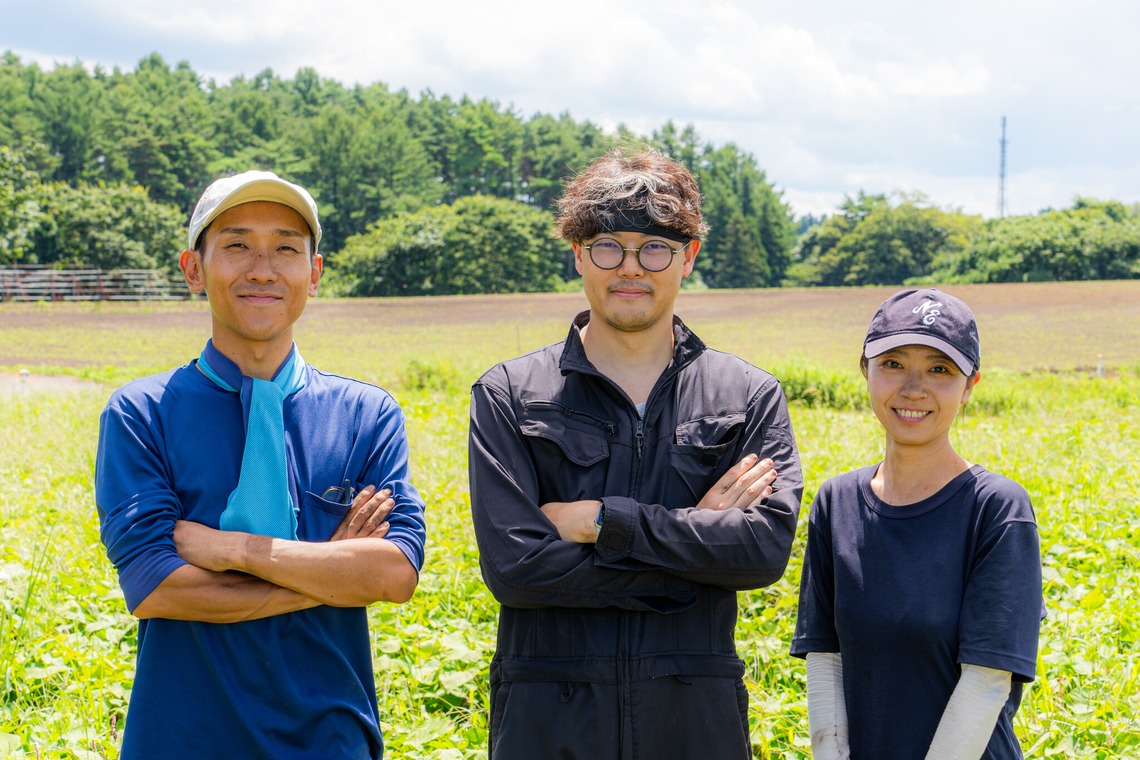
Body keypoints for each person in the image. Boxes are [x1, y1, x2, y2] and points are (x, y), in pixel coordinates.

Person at [467, 149, 804, 759]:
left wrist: (605, 521)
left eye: (655, 248)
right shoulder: (510, 394)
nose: (630, 268)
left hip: (694, 720)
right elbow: (515, 570)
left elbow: (760, 552)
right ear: (577, 254)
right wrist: (691, 561)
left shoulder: (747, 395)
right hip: (549, 721)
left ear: (688, 257)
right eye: (606, 246)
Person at [95, 170, 426, 759]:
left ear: (314, 274)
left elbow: (394, 574)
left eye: (286, 249)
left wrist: (232, 551)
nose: (263, 269)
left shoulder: (366, 413)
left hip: (331, 734)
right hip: (180, 734)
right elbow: (158, 589)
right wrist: (330, 574)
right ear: (193, 269)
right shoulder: (142, 413)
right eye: (237, 245)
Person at [791, 288, 1043, 759]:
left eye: (939, 369)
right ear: (864, 371)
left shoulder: (996, 509)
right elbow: (825, 658)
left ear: (970, 386)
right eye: (893, 364)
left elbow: (987, 681)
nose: (913, 388)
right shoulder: (837, 502)